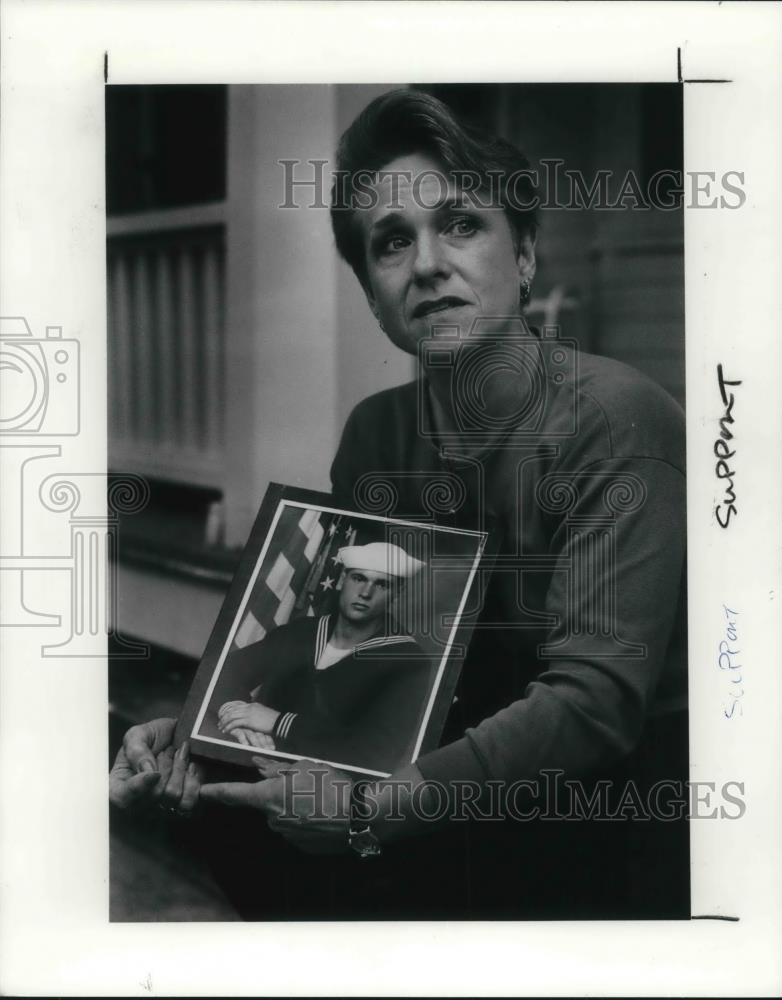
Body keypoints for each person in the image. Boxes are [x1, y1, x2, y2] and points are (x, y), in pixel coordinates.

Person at [110, 88, 688, 919]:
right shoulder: (377, 433)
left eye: (461, 225)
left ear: (524, 255)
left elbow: (592, 710)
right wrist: (205, 739)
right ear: (375, 298)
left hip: (604, 801)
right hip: (454, 761)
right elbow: (363, 655)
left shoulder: (613, 420)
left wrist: (379, 808)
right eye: (391, 243)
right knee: (241, 822)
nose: (426, 264)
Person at [213, 542, 431, 774]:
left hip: (318, 789)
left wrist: (279, 722)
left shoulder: (407, 663)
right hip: (249, 761)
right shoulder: (301, 632)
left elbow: (374, 756)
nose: (366, 593)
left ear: (397, 594)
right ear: (341, 580)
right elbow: (221, 672)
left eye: (382, 585)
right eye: (358, 578)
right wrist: (236, 714)